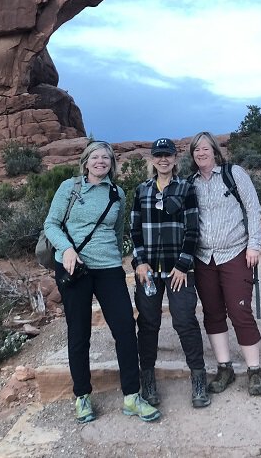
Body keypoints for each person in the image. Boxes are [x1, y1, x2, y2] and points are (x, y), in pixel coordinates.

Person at [43, 140, 161, 424]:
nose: (100, 161)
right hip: (75, 268)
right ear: (85, 162)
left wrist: (117, 255)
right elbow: (51, 224)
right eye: (95, 157)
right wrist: (67, 249)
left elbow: (119, 229)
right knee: (79, 332)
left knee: (124, 328)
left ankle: (132, 396)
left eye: (105, 158)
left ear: (111, 163)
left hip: (108, 268)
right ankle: (82, 396)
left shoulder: (117, 193)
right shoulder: (69, 188)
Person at [130, 137, 210, 409]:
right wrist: (139, 262)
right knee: (148, 324)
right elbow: (135, 231)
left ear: (175, 160)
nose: (163, 160)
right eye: (158, 155)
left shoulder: (186, 188)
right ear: (152, 160)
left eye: (168, 155)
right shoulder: (141, 190)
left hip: (179, 269)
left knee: (185, 320)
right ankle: (148, 379)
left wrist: (183, 264)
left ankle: (199, 379)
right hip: (149, 270)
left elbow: (192, 229)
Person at [188, 131, 261, 396]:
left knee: (239, 310)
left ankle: (254, 370)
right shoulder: (191, 183)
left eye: (205, 149)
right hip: (203, 257)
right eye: (196, 150)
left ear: (214, 150)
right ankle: (225, 368)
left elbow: (253, 208)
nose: (201, 153)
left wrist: (254, 244)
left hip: (235, 252)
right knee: (212, 312)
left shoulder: (233, 174)